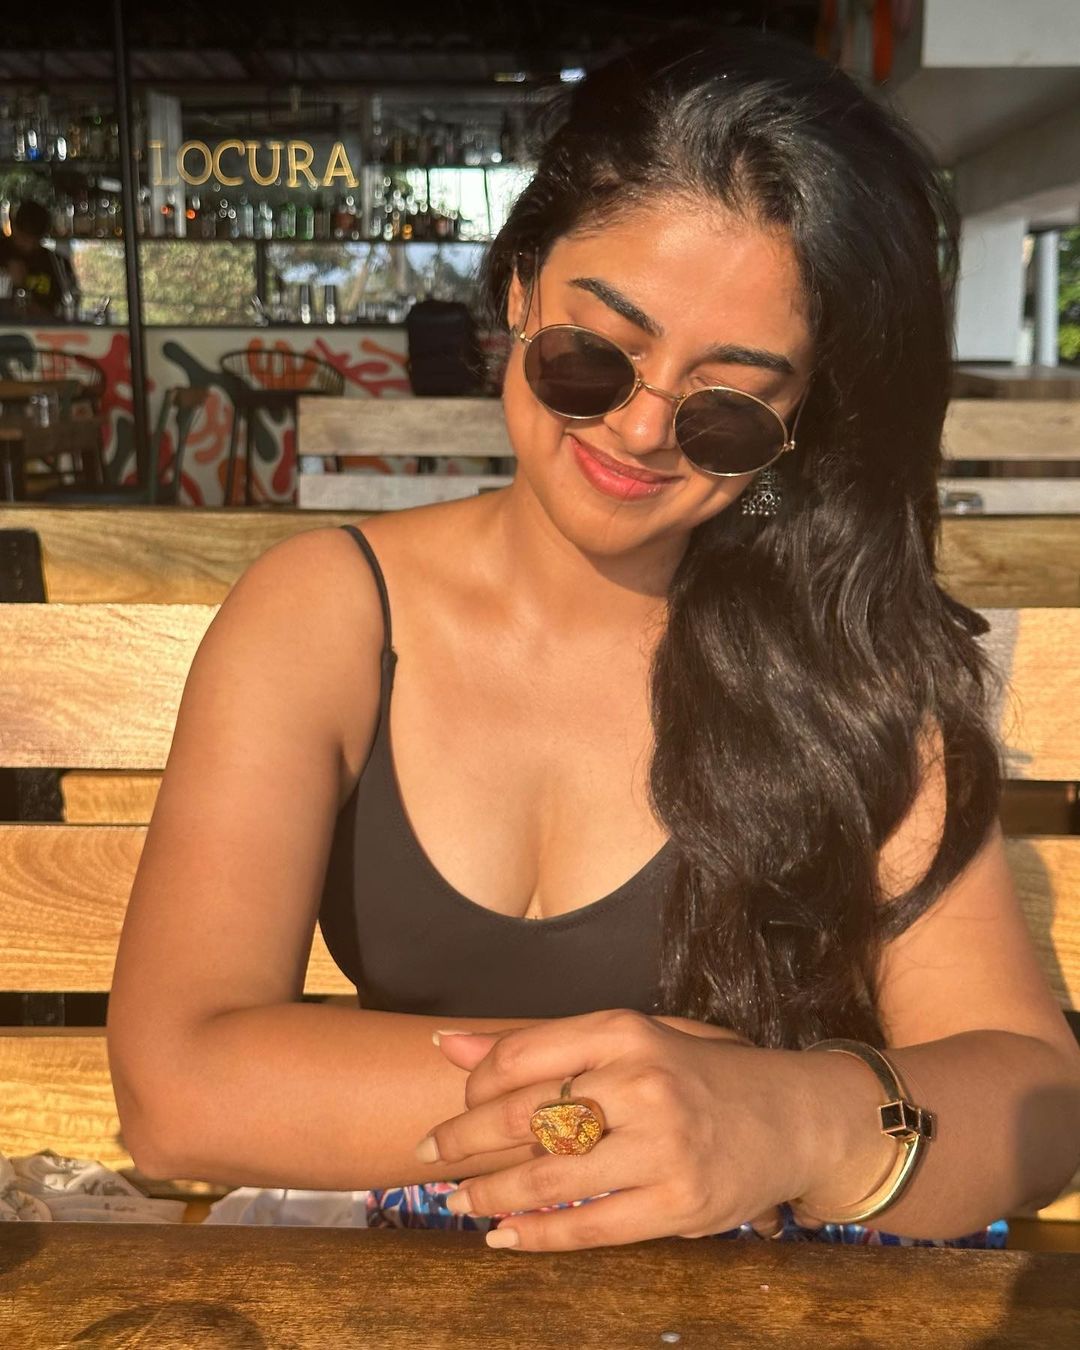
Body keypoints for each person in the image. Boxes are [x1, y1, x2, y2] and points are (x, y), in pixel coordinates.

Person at [108, 27, 1080, 1251]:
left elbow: (1036, 1098)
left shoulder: (847, 653)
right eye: (594, 354)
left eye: (729, 405)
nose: (642, 429)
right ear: (521, 291)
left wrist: (783, 1121)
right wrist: (624, 1113)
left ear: (799, 418)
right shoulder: (326, 614)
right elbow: (177, 1091)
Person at [0, 199, 79, 319]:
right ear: (14, 228)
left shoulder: (56, 263)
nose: (29, 245)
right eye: (24, 238)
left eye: (35, 240)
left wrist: (22, 290)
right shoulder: (2, 254)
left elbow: (66, 312)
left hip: (43, 328)